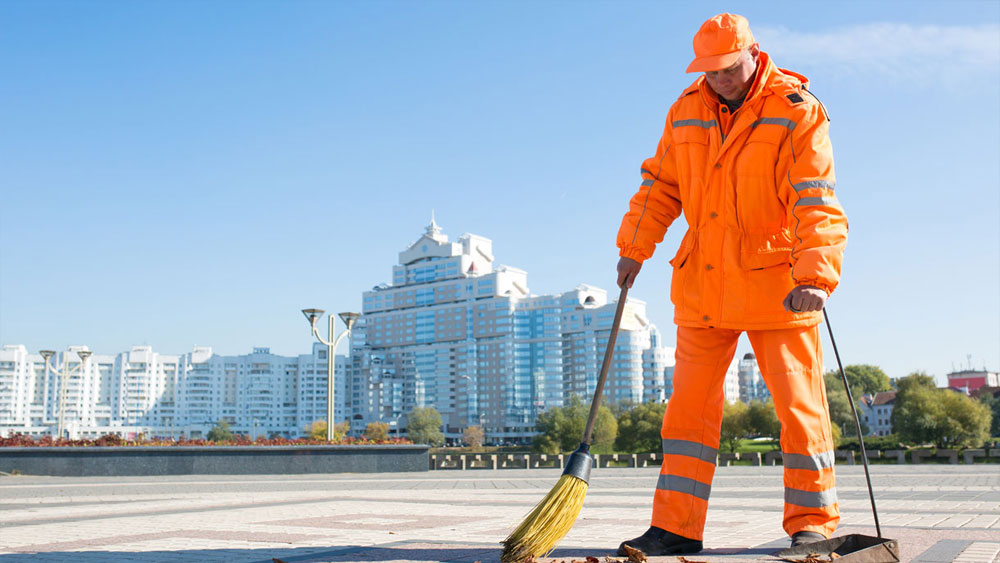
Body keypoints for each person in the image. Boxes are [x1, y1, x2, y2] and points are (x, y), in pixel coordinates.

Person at [615, 13, 848, 556]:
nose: (719, 79)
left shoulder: (796, 110)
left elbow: (816, 199)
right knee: (687, 412)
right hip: (703, 284)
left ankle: (811, 522)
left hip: (779, 286)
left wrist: (816, 275)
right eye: (710, 70)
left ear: (752, 52)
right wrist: (633, 248)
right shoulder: (685, 108)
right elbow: (659, 186)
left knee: (799, 408)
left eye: (727, 68)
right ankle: (675, 526)